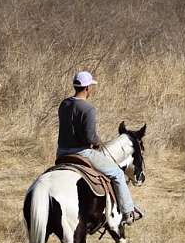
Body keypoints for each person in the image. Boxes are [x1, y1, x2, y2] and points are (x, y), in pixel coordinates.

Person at [56, 71, 138, 225]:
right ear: (87, 88)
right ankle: (128, 211)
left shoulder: (64, 104)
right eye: (90, 87)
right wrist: (97, 142)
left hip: (61, 153)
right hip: (82, 152)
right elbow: (89, 138)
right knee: (117, 174)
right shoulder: (88, 109)